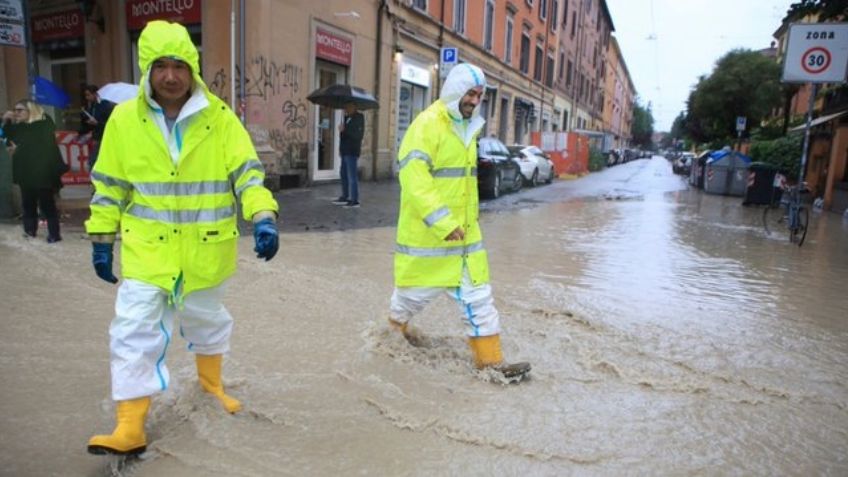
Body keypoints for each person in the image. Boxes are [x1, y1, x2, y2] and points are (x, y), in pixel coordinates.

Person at [85, 20, 280, 456]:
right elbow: (110, 184)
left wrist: (263, 216)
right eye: (160, 66)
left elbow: (248, 174)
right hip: (146, 253)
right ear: (146, 70)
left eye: (179, 65)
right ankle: (130, 424)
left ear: (192, 69)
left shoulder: (220, 118)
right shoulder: (123, 120)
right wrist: (101, 238)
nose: (170, 76)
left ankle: (211, 388)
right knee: (133, 330)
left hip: (206, 252)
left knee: (208, 324)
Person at [388, 64, 530, 379]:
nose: (474, 100)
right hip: (429, 243)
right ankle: (385, 343)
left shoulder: (468, 127)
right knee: (407, 302)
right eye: (470, 93)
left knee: (480, 300)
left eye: (479, 95)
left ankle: (492, 366)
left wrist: (460, 225)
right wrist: (443, 223)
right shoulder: (426, 126)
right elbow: (414, 180)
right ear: (455, 91)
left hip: (465, 242)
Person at [2, 99, 66, 243]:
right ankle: (30, 230)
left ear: (30, 111)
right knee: (28, 203)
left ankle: (54, 234)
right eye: (15, 110)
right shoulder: (21, 127)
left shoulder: (43, 124)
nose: (16, 113)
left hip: (43, 171)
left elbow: (40, 134)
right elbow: (7, 135)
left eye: (20, 110)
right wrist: (7, 120)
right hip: (27, 171)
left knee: (47, 204)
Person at [332, 102, 364, 208]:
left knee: (352, 176)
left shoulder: (359, 118)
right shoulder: (345, 118)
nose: (346, 109)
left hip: (352, 151)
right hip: (345, 151)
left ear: (354, 107)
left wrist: (345, 130)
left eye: (349, 107)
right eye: (345, 107)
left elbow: (358, 135)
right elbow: (343, 136)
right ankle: (345, 196)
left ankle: (354, 200)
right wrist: (340, 148)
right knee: (343, 174)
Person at [79, 84, 115, 170]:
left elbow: (108, 123)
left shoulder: (105, 106)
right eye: (85, 95)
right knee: (96, 159)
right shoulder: (91, 106)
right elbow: (87, 123)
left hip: (104, 136)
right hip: (96, 135)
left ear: (95, 94)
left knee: (94, 160)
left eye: (88, 95)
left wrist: (97, 123)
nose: (87, 98)